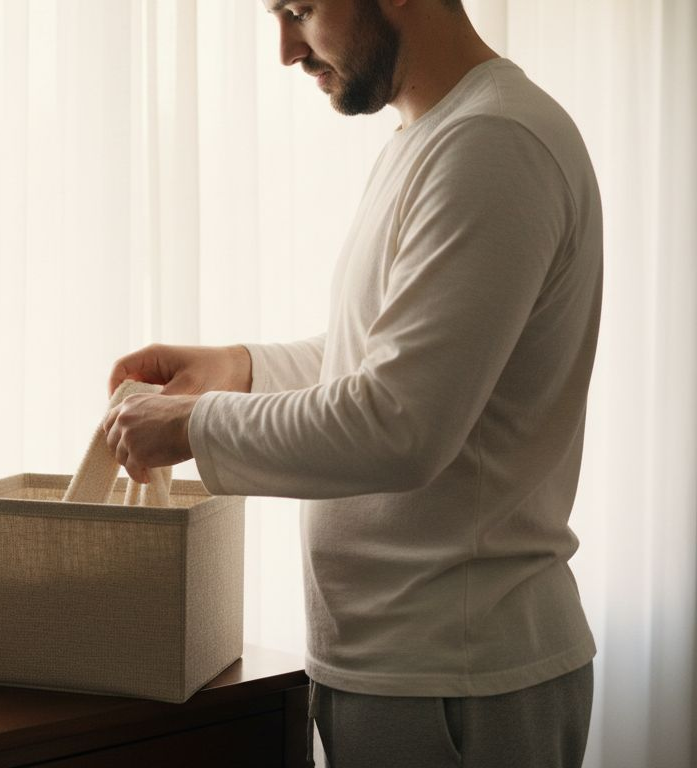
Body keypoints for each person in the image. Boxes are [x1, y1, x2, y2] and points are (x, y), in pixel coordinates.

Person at [102, 1, 601, 766]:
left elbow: (400, 423)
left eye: (299, 9)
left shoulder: (491, 144)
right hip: (414, 671)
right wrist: (240, 368)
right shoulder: (434, 137)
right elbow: (392, 360)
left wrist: (193, 426)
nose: (283, 49)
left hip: (458, 679)